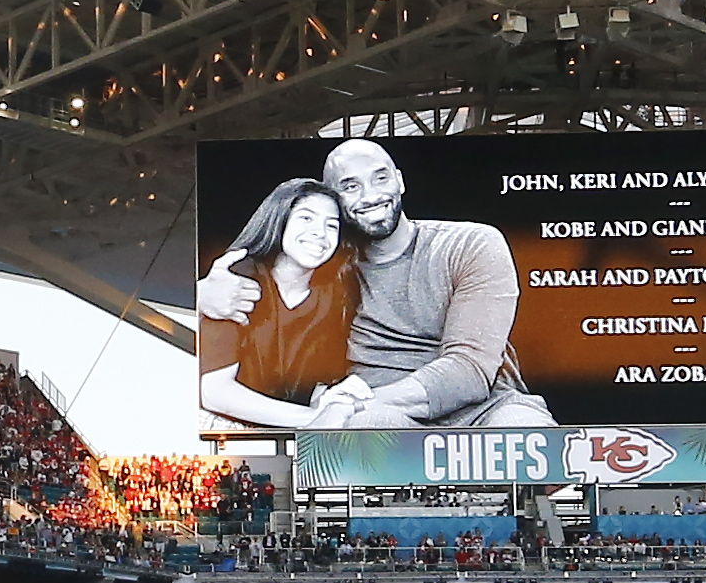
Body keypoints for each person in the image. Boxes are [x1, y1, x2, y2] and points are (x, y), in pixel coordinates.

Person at [184, 136, 540, 428]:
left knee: (527, 432)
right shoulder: (326, 269)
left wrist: (342, 407)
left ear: (400, 180)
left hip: (485, 408)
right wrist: (202, 295)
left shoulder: (469, 244)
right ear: (334, 200)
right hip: (377, 419)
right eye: (351, 186)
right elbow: (273, 302)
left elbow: (469, 370)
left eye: (380, 178)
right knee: (370, 432)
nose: (370, 196)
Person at [192, 178, 363, 433]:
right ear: (279, 219)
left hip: (286, 431)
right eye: (306, 218)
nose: (320, 232)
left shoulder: (333, 294)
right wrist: (314, 417)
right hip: (223, 429)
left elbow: (312, 383)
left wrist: (332, 399)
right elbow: (215, 392)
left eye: (331, 225)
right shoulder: (239, 280)